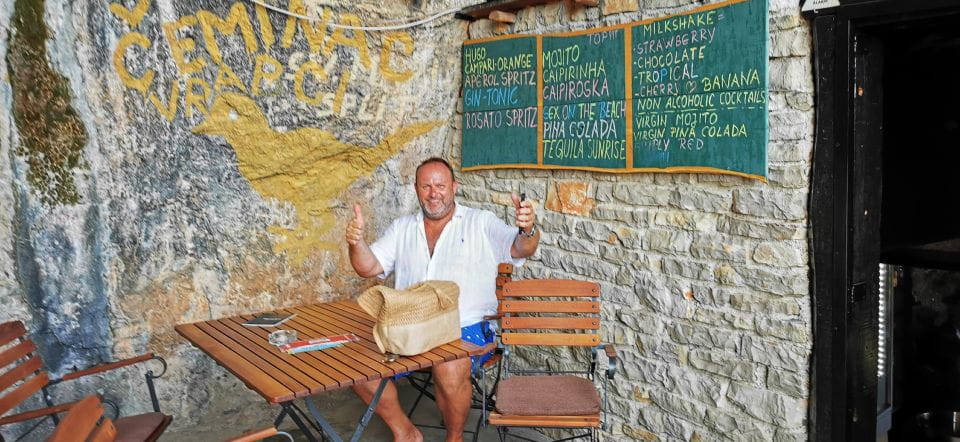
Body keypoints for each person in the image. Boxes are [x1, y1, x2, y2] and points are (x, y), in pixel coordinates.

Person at [345, 157, 540, 442]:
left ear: (454, 187)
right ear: (416, 189)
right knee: (357, 366)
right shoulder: (402, 227)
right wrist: (356, 243)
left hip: (468, 327)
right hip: (411, 328)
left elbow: (521, 248)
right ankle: (405, 431)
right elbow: (368, 267)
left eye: (440, 185)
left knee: (448, 366)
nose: (433, 193)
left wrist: (528, 229)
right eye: (426, 186)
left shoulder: (480, 222)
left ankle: (454, 438)